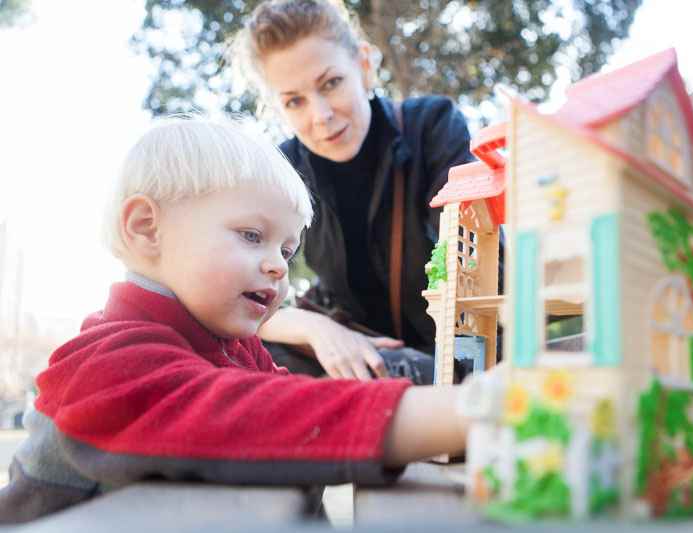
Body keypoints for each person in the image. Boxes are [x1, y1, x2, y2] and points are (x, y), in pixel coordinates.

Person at [0, 118, 474, 524]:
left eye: (287, 251)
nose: (278, 267)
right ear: (146, 227)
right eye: (252, 236)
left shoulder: (229, 345)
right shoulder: (105, 360)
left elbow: (294, 397)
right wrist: (469, 411)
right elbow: (249, 416)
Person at [236, 0, 479, 383]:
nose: (320, 116)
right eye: (294, 101)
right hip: (355, 354)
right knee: (241, 353)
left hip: (455, 349)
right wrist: (317, 329)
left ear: (364, 66)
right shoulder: (283, 173)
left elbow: (477, 260)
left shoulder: (432, 126)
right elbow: (240, 295)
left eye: (330, 84)